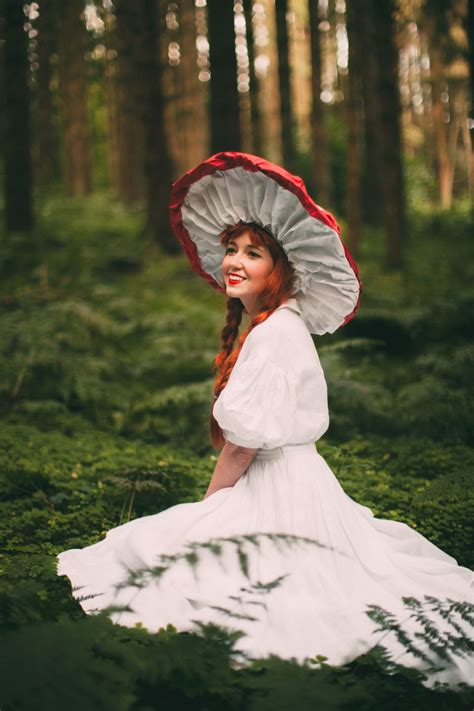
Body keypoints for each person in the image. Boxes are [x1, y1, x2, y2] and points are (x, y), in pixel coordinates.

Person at [58, 152, 473, 686]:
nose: (234, 259)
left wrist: (209, 508)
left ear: (281, 268)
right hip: (302, 479)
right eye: (231, 248)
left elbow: (241, 446)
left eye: (253, 253)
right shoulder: (277, 325)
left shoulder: (275, 333)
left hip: (279, 485)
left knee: (181, 560)